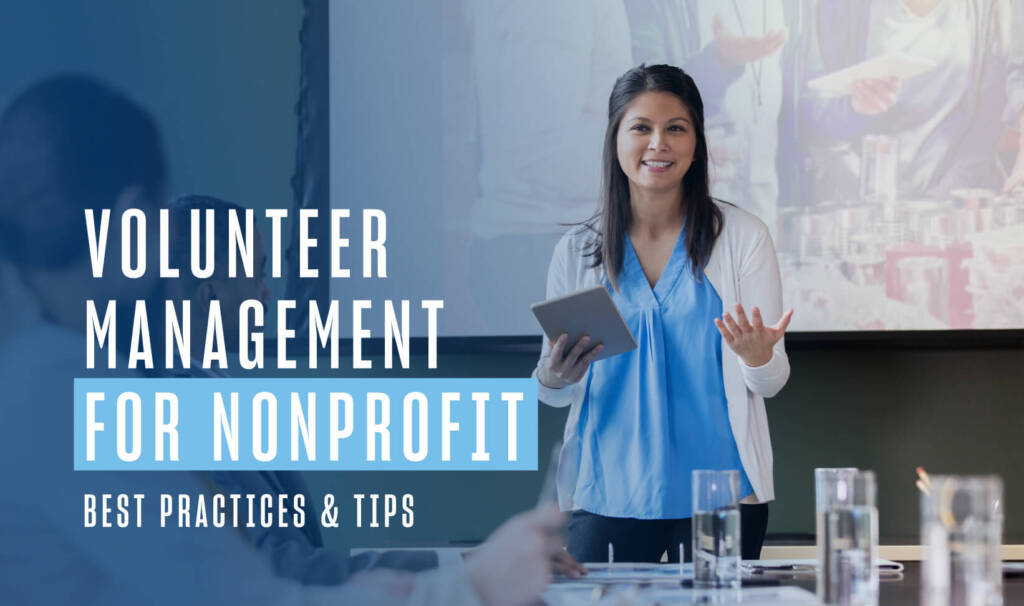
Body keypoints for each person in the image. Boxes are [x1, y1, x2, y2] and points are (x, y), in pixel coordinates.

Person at [0, 73, 566, 606]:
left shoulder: (47, 375)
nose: (268, 297)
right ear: (128, 221)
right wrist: (472, 583)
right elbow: (255, 593)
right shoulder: (69, 395)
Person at [533, 64, 793, 563]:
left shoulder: (742, 238)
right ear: (615, 140)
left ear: (696, 143)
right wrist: (553, 375)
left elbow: (769, 382)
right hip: (606, 493)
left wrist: (759, 358)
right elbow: (552, 392)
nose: (659, 144)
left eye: (676, 128)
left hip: (723, 499)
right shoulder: (577, 251)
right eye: (641, 128)